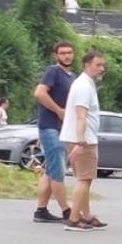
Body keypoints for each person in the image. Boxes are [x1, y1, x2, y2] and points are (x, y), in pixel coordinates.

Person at [60, 49, 107, 232]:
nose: (102, 69)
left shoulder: (85, 84)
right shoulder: (83, 87)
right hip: (84, 140)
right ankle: (73, 219)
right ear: (87, 65)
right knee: (85, 179)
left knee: (84, 178)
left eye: (103, 65)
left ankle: (86, 216)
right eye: (98, 65)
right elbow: (81, 116)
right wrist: (80, 143)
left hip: (82, 138)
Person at [32, 41, 77, 224]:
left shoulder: (72, 76)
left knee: (50, 171)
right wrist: (58, 110)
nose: (66, 56)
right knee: (58, 170)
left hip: (62, 128)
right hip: (51, 127)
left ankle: (41, 211)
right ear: (56, 55)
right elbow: (39, 93)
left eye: (69, 52)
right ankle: (68, 212)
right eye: (63, 53)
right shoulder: (53, 71)